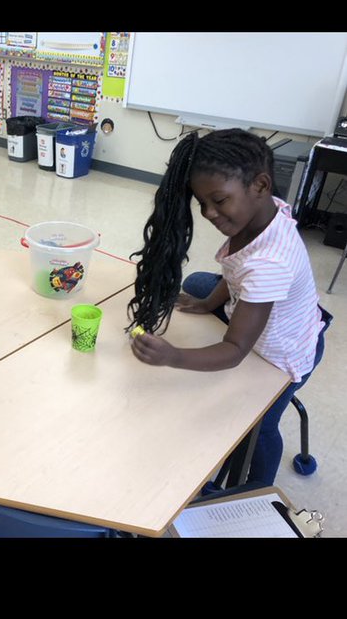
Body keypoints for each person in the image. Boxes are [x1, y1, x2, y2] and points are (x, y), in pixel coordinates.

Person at [127, 128, 331, 488]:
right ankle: (211, 302)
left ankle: (255, 492)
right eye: (202, 203)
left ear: (261, 185)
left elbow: (236, 350)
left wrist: (174, 357)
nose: (208, 213)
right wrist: (208, 304)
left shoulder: (270, 263)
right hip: (271, 309)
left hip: (282, 352)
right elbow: (237, 269)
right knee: (197, 285)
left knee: (260, 426)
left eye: (219, 201)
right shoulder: (263, 215)